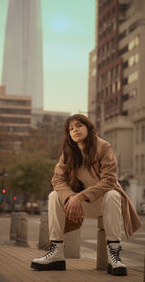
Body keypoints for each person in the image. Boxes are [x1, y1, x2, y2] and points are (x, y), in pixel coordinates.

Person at [31, 114, 141, 276]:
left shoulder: (103, 147)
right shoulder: (68, 153)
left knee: (112, 194)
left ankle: (114, 256)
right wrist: (70, 197)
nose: (75, 130)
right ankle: (56, 253)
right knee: (54, 195)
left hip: (105, 203)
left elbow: (109, 181)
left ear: (88, 128)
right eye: (71, 128)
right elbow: (57, 179)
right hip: (81, 206)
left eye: (79, 125)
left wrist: (79, 197)